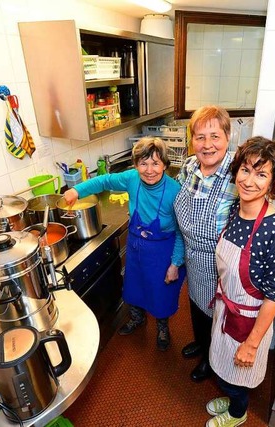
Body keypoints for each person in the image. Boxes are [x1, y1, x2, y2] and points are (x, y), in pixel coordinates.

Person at [204, 136, 275, 427]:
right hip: (226, 311)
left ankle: (237, 412)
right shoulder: (234, 210)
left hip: (249, 323)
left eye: (261, 174)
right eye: (245, 170)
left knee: (238, 374)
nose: (249, 181)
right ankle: (233, 398)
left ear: (273, 182)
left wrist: (252, 344)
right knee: (221, 367)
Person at [63, 137, 186, 351]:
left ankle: (162, 328)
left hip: (162, 253)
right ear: (136, 164)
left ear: (165, 165)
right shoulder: (131, 179)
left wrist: (175, 264)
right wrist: (76, 190)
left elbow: (182, 233)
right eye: (143, 163)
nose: (149, 170)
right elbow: (103, 181)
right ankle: (137, 318)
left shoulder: (175, 192)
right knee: (134, 286)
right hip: (136, 248)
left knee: (161, 292)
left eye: (155, 163)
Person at [174, 105, 238, 382]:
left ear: (227, 137)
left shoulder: (238, 173)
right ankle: (201, 344)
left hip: (220, 261)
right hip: (193, 255)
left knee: (218, 317)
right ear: (192, 141)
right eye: (200, 137)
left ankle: (211, 361)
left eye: (215, 136)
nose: (207, 145)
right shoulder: (188, 167)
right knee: (196, 306)